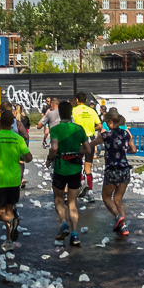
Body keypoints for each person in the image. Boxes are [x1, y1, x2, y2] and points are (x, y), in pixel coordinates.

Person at [0, 109, 32, 250]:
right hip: (14, 179)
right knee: (9, 209)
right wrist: (20, 156)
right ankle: (9, 240)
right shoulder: (18, 138)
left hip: (0, 179)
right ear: (13, 123)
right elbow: (28, 158)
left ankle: (11, 221)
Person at [46, 100, 90, 247]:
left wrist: (49, 158)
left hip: (60, 168)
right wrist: (76, 151)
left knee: (58, 198)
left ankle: (63, 224)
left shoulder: (56, 129)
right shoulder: (79, 129)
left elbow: (54, 148)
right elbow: (88, 149)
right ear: (71, 113)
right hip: (76, 169)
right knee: (72, 203)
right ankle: (75, 234)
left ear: (59, 113)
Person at [89, 110, 136, 236]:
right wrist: (125, 152)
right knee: (118, 199)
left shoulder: (106, 135)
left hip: (112, 169)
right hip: (125, 169)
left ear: (110, 121)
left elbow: (91, 145)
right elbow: (133, 149)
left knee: (106, 197)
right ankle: (124, 227)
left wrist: (80, 150)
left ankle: (118, 217)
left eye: (105, 122)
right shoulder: (126, 134)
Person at [72, 92, 102, 202]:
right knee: (88, 167)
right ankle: (90, 192)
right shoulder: (92, 111)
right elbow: (100, 125)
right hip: (90, 140)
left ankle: (81, 184)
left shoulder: (73, 110)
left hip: (77, 141)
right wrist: (92, 129)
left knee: (77, 166)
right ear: (86, 100)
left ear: (77, 100)